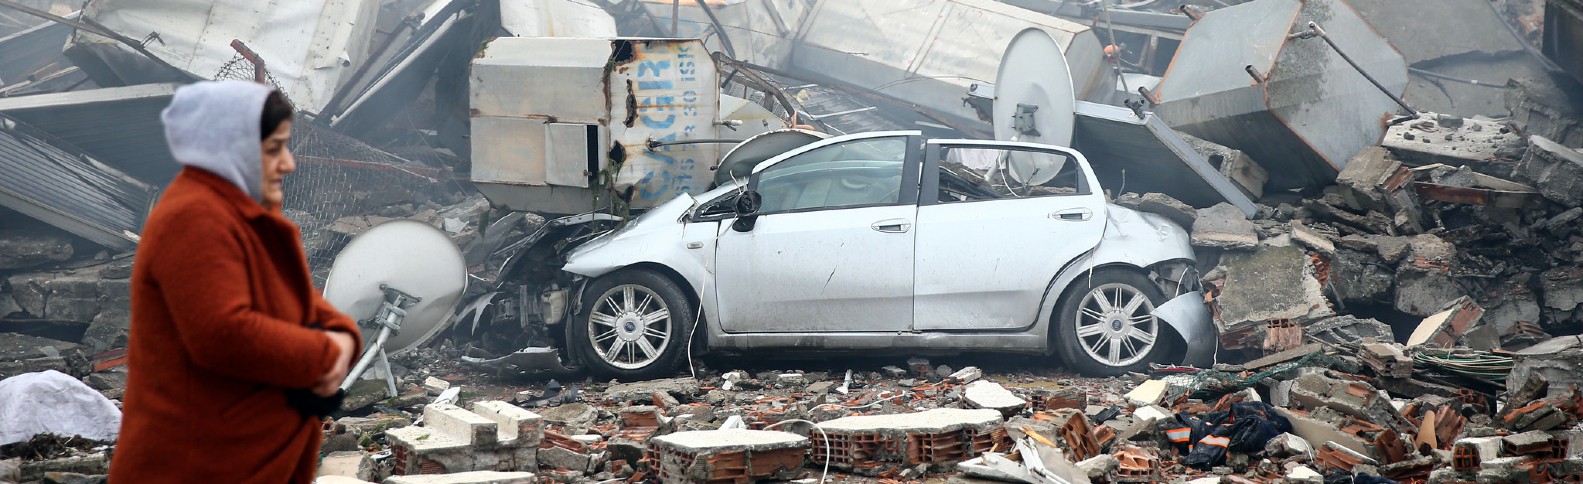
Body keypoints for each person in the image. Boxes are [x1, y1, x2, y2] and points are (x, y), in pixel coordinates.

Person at [109, 80, 361, 483]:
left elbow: (307, 308)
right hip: (198, 464)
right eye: (274, 149)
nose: (288, 164)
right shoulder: (193, 219)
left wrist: (343, 337)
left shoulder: (250, 221)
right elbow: (222, 333)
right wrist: (324, 356)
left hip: (246, 459)